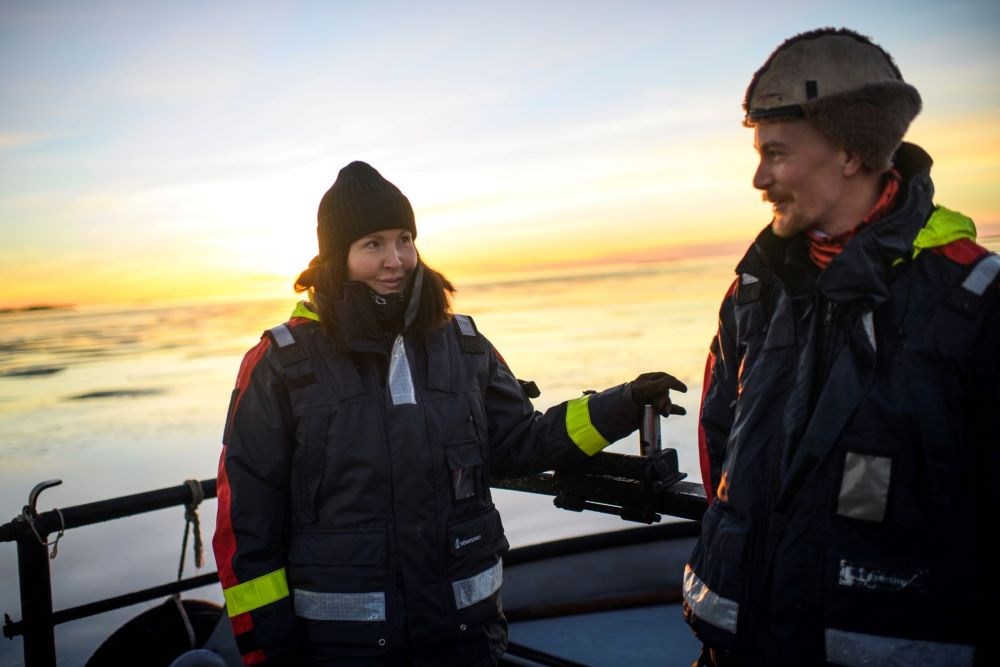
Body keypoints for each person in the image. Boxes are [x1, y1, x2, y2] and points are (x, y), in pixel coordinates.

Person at [212, 160, 687, 666]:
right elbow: (246, 524)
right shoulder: (281, 364)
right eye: (372, 244)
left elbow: (514, 445)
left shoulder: (462, 344)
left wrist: (622, 406)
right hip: (343, 647)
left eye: (404, 239)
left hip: (465, 634)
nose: (395, 259)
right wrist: (271, 653)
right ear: (336, 258)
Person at [682, 28, 999, 666]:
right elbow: (719, 452)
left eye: (776, 152)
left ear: (851, 153)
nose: (759, 177)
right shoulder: (753, 293)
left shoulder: (975, 302)